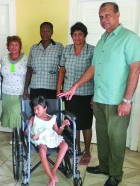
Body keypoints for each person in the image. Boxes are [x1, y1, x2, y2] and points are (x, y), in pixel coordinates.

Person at [58, 2, 140, 186]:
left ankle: (115, 174)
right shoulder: (102, 41)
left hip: (117, 101)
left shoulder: (130, 38)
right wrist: (75, 86)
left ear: (118, 14)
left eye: (107, 15)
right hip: (99, 99)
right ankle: (104, 166)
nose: (104, 20)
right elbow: (93, 68)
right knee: (103, 137)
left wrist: (127, 100)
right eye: (101, 16)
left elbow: (135, 69)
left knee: (116, 140)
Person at [57, 22, 94, 165]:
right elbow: (62, 70)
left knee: (86, 124)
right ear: (71, 36)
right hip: (69, 94)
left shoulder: (92, 50)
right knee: (73, 123)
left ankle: (87, 151)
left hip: (86, 93)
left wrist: (94, 95)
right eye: (74, 34)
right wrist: (59, 89)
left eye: (80, 34)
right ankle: (76, 147)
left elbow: (96, 73)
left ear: (85, 36)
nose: (77, 37)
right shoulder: (66, 50)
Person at [25, 96, 70, 186]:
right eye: (34, 109)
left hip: (52, 137)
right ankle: (50, 177)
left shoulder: (52, 118)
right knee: (42, 150)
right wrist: (31, 135)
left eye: (38, 109)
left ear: (45, 108)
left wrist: (63, 125)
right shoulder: (33, 118)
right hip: (40, 139)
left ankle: (54, 170)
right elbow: (26, 131)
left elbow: (58, 132)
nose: (36, 111)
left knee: (65, 145)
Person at [23, 22, 64, 99]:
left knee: (51, 111)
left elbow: (63, 69)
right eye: (42, 31)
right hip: (35, 87)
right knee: (35, 110)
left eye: (47, 31)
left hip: (52, 88)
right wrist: (25, 89)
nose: (45, 33)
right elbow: (29, 70)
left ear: (52, 32)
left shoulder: (59, 47)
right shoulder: (34, 48)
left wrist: (62, 89)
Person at [0, 36, 28, 130]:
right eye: (11, 45)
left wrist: (26, 90)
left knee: (19, 114)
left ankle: (20, 137)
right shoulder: (4, 58)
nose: (14, 47)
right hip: (6, 92)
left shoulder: (26, 58)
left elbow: (29, 74)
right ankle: (14, 136)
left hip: (20, 92)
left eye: (16, 45)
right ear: (8, 47)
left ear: (20, 46)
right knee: (10, 114)